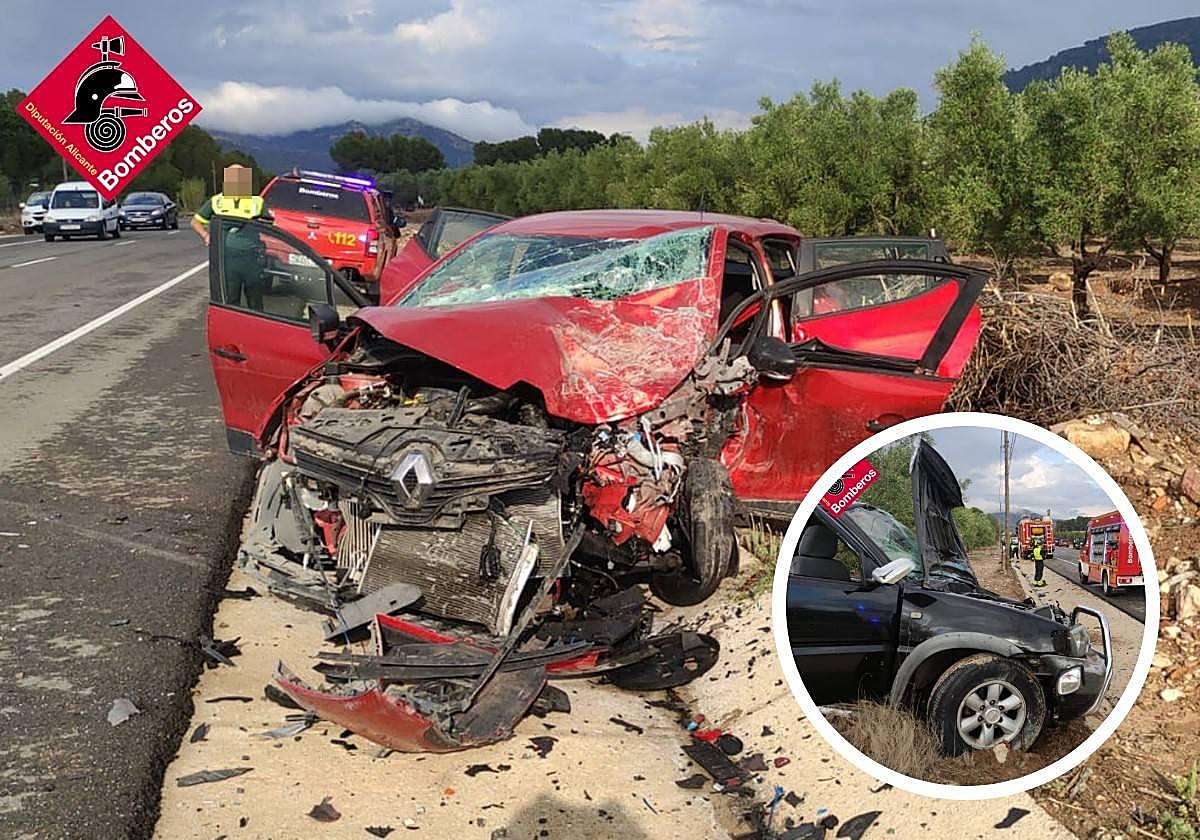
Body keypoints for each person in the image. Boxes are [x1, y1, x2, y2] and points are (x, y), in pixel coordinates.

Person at [191, 164, 269, 311]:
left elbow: (269, 226)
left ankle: (255, 330)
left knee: (255, 302)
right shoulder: (217, 201)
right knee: (230, 301)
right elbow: (196, 221)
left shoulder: (257, 201)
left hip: (251, 258)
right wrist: (206, 236)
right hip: (226, 259)